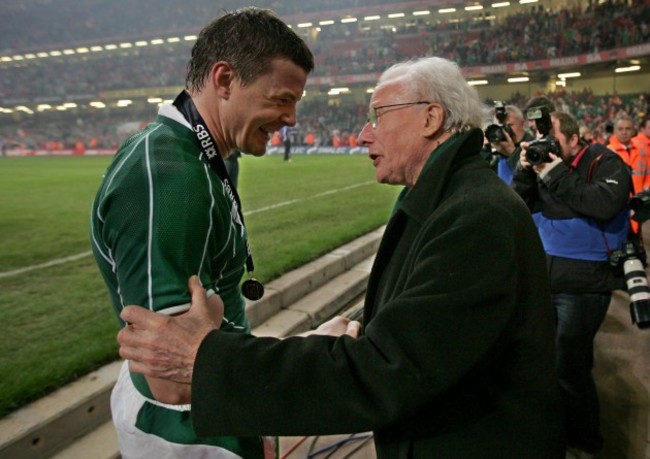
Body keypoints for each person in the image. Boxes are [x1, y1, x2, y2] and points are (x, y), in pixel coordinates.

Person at [117, 56, 565, 458]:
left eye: (378, 116)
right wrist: (355, 327)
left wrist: (207, 361)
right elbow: (423, 328)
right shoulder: (454, 199)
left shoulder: (475, 217)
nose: (363, 134)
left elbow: (385, 371)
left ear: (431, 117)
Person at [90, 7, 314, 459]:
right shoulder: (172, 181)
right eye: (282, 98)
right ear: (225, 79)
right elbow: (170, 379)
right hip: (187, 433)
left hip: (213, 413)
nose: (291, 118)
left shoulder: (196, 157)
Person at [512, 111, 632, 459]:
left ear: (575, 140)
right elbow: (515, 205)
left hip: (586, 285)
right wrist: (524, 171)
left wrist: (553, 172)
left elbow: (604, 203)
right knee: (545, 362)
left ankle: (586, 443)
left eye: (553, 138)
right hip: (546, 279)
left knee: (571, 366)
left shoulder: (605, 162)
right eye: (540, 138)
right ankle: (557, 432)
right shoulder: (540, 165)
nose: (545, 145)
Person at [489, 104, 534, 184]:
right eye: (500, 127)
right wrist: (486, 151)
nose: (504, 131)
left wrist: (512, 153)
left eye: (509, 125)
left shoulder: (531, 146)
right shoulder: (498, 148)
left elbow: (530, 180)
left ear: (522, 124)